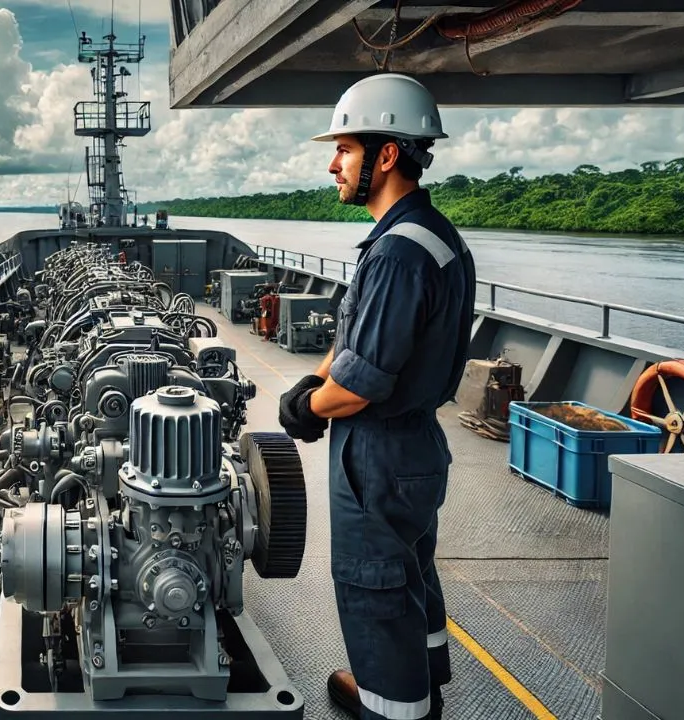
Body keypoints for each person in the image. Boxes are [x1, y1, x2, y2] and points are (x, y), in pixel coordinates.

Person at [277, 73, 477, 720]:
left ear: (386, 155)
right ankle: (419, 681)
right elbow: (358, 340)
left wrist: (306, 407)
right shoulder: (430, 235)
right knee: (410, 574)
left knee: (375, 587)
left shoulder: (396, 254)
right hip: (414, 446)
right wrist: (319, 379)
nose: (332, 162)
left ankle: (393, 706)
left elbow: (361, 386)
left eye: (345, 148)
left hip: (380, 455)